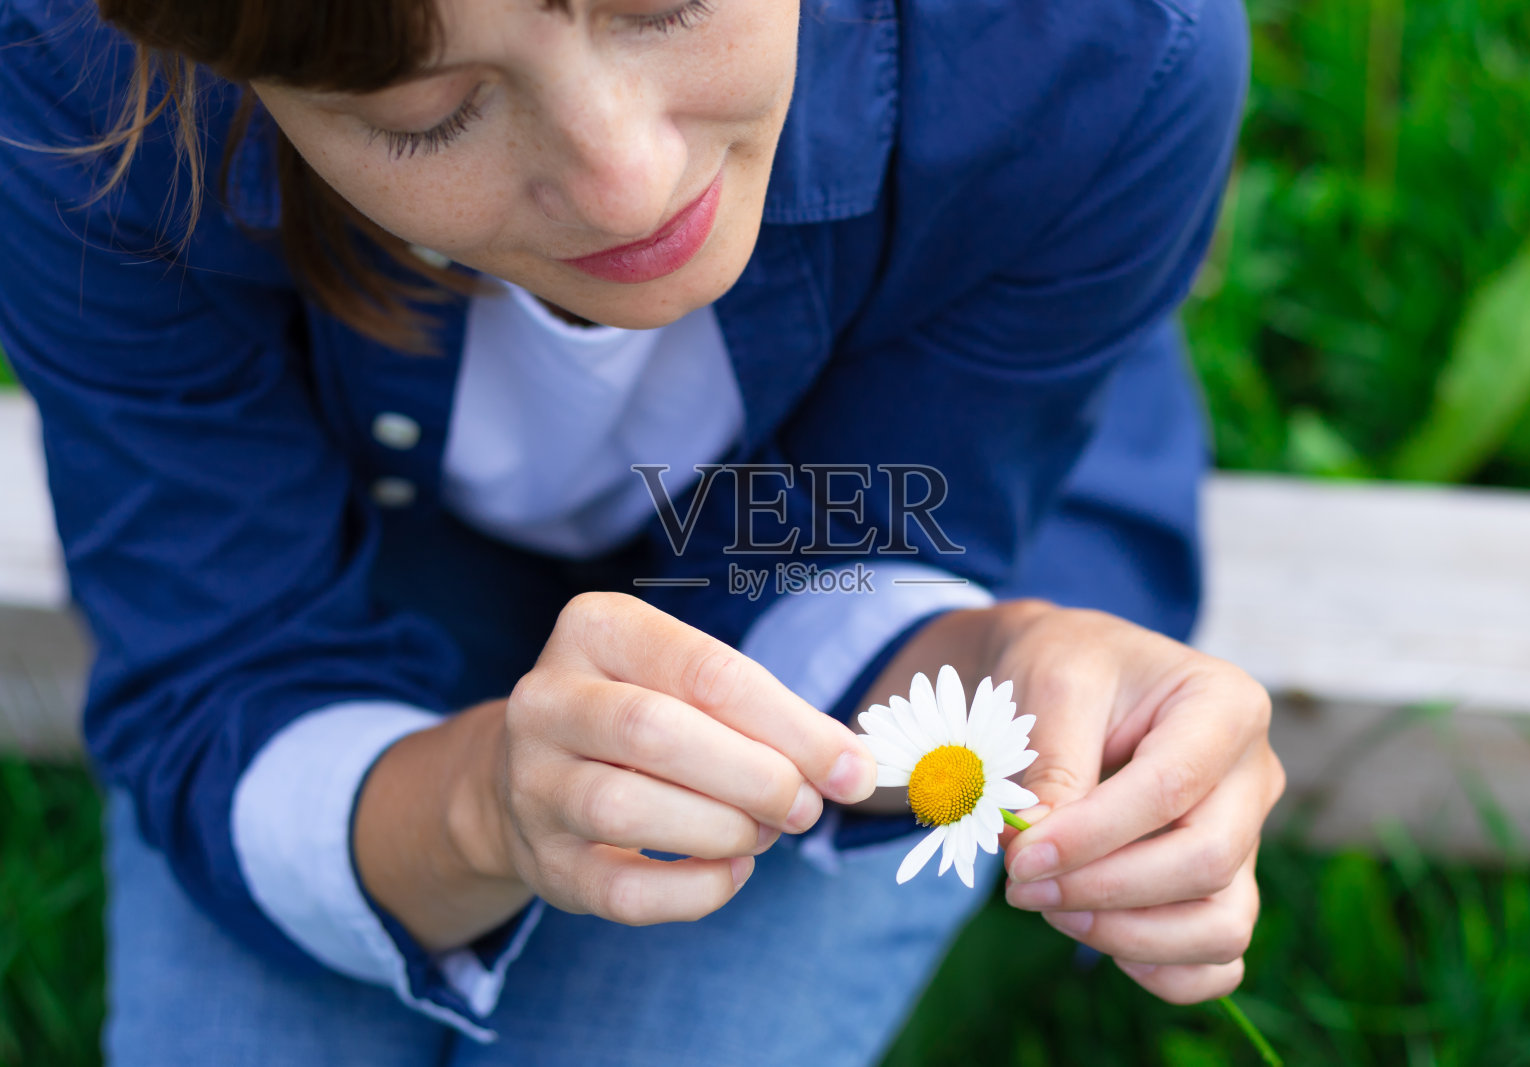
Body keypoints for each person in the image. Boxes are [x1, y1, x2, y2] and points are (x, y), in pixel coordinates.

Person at [0, 0, 1285, 1063]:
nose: (627, 179)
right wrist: (476, 814)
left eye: (661, 1)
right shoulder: (73, 82)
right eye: (423, 112)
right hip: (375, 548)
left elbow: (895, 513)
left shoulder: (1084, 45)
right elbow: (229, 672)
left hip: (906, 518)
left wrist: (997, 661)